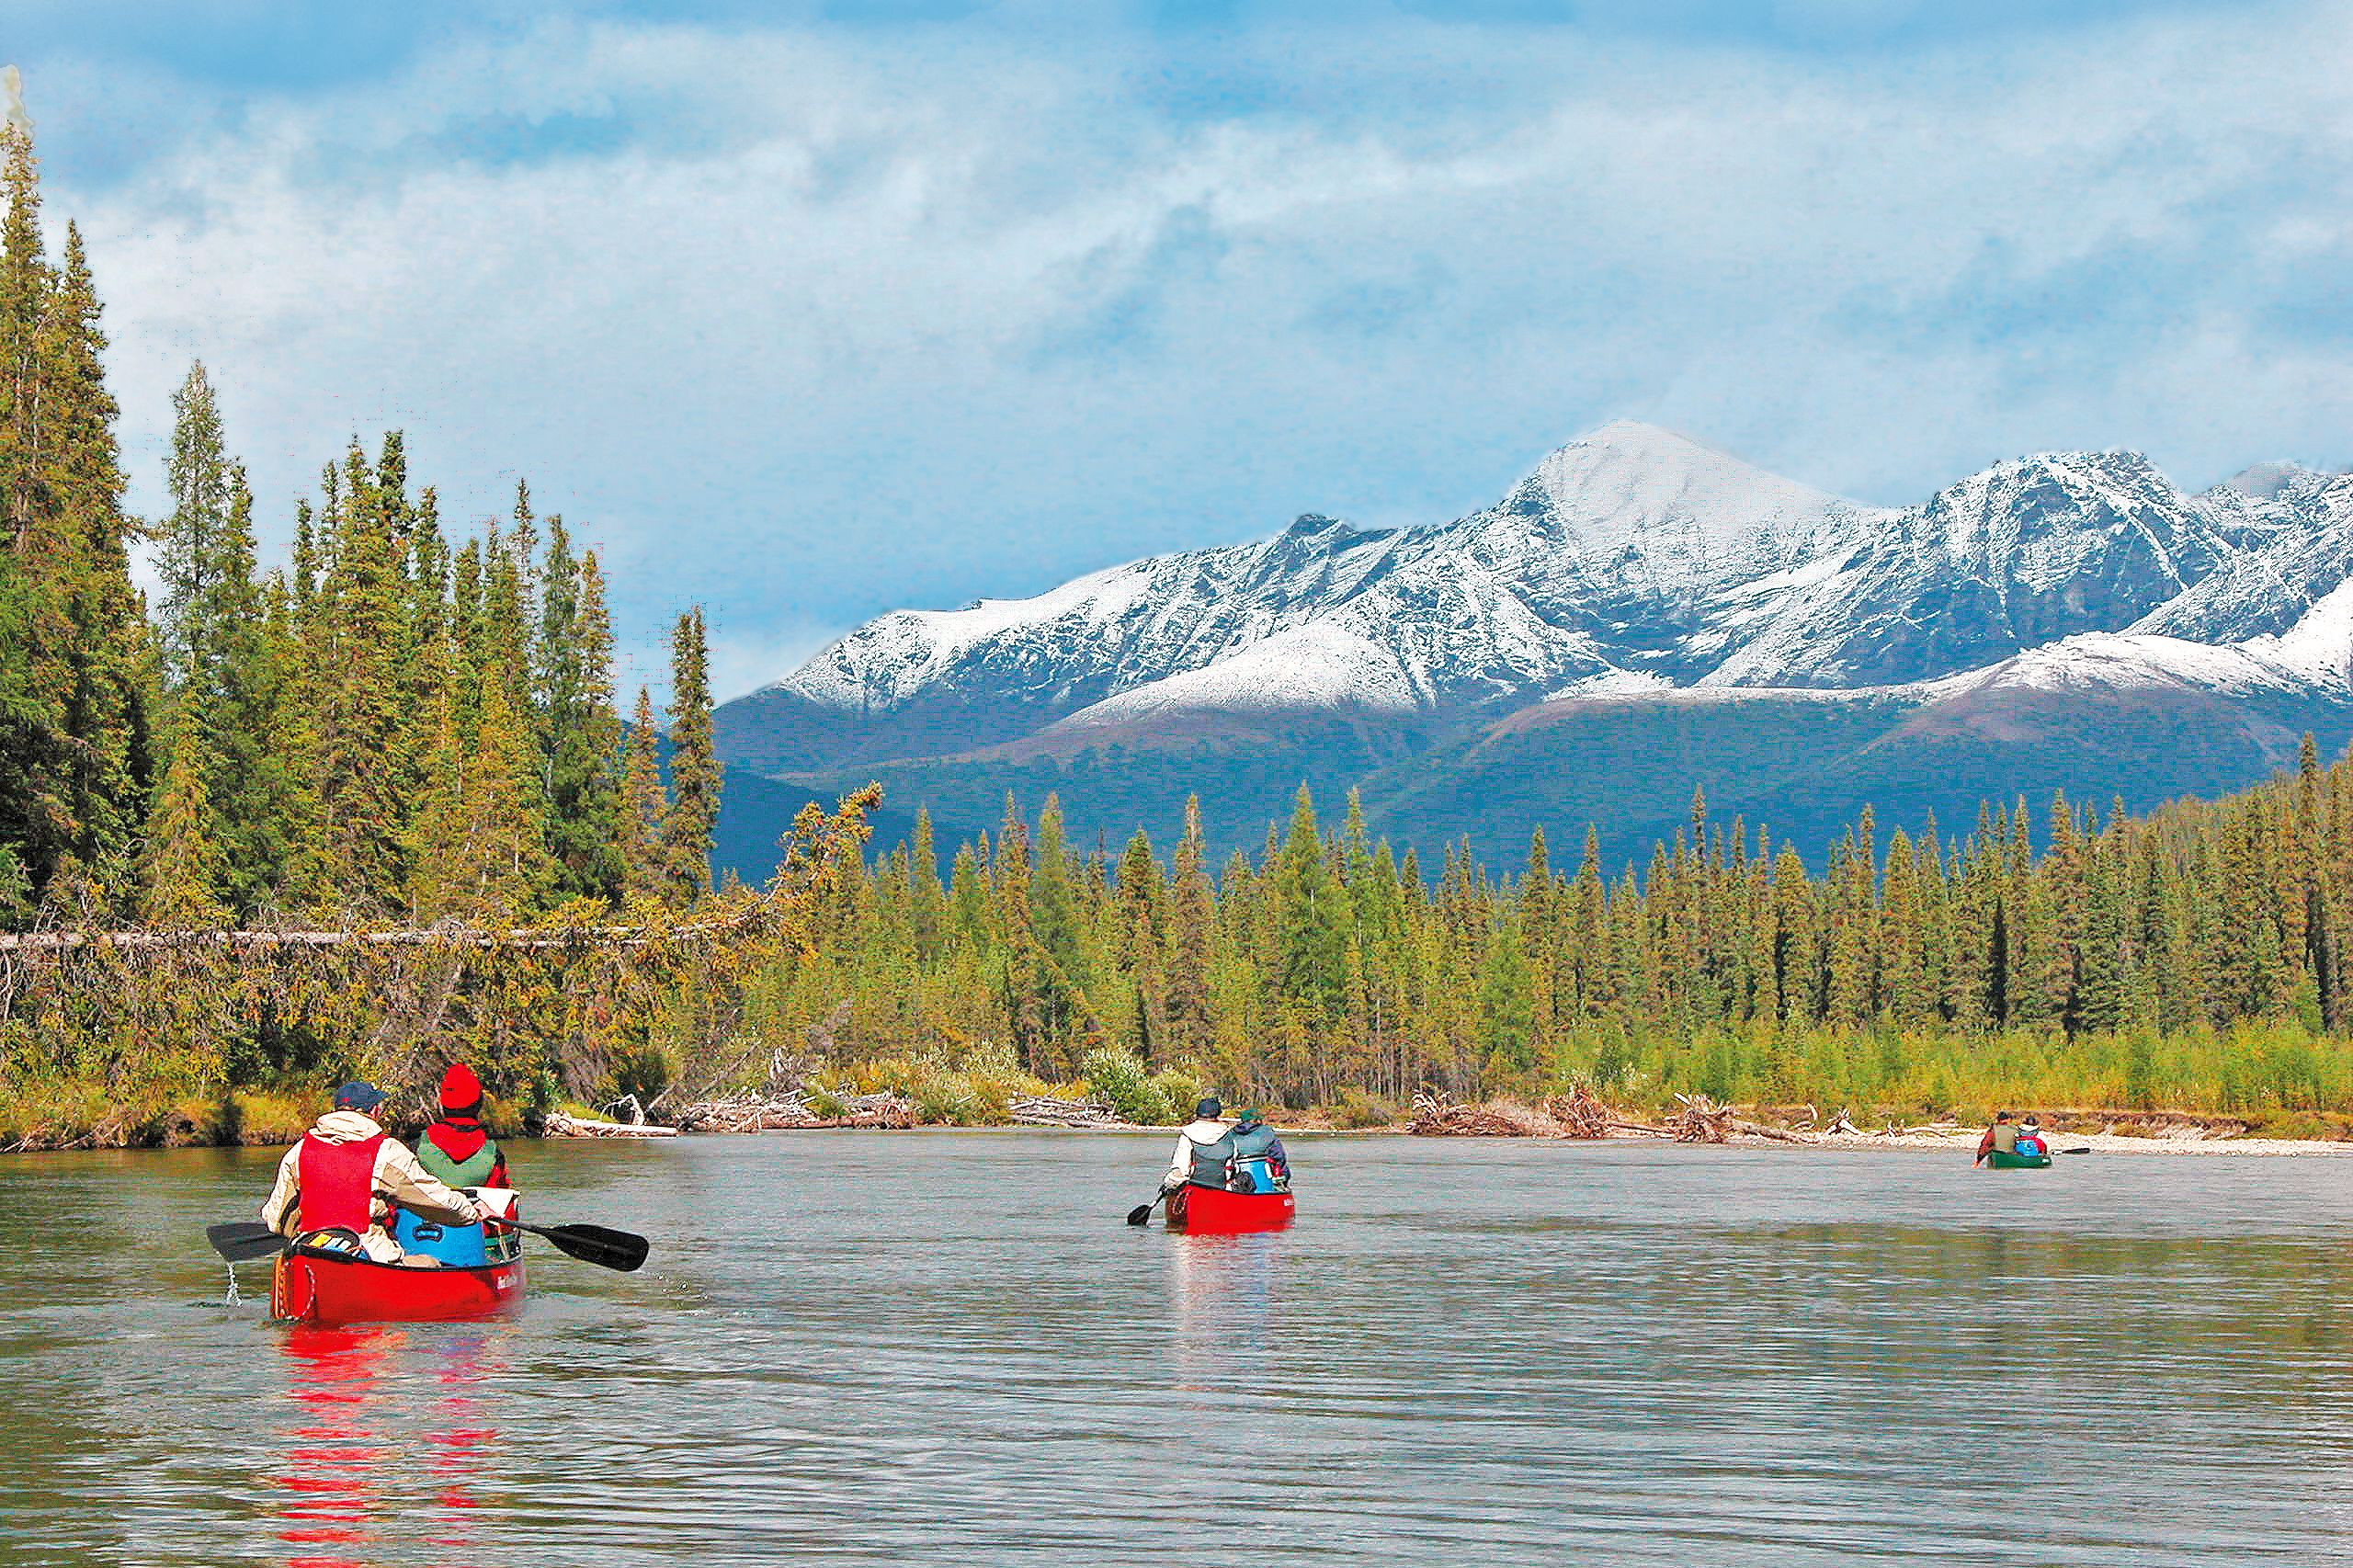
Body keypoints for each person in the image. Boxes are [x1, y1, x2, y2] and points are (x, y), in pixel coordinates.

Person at [262, 1082, 494, 1266]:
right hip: (370, 1255)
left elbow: (275, 1220)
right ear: (374, 1111)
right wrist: (470, 1211)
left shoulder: (298, 1151)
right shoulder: (387, 1151)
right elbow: (433, 1198)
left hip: (308, 1253)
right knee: (430, 1263)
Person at [416, 1063, 509, 1189]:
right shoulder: (493, 1154)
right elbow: (501, 1200)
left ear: (443, 1104)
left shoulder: (417, 1146)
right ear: (478, 1106)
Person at [1162, 1096, 1236, 1192]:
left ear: (1197, 1113)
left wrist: (1170, 1183)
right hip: (1223, 1188)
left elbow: (1181, 1168)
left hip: (1193, 1188)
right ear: (1218, 1114)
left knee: (1171, 1180)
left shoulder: (1187, 1135)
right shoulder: (1230, 1135)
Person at [1227, 1108, 1290, 1193]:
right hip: (1264, 1175)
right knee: (1283, 1170)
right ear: (1257, 1120)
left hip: (1239, 1179)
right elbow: (1279, 1156)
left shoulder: (1231, 1134)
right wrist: (1285, 1179)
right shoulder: (1267, 1132)